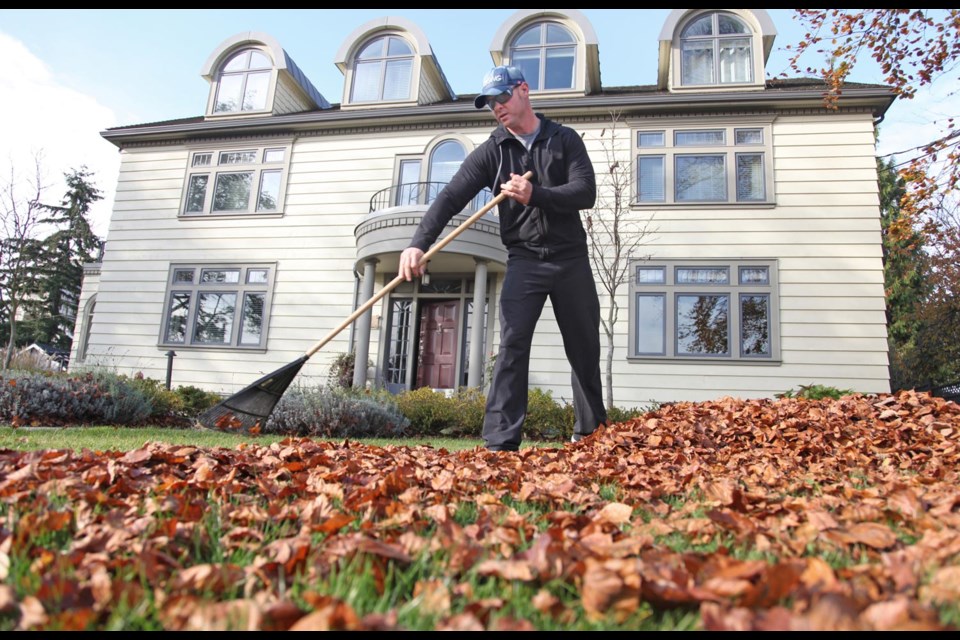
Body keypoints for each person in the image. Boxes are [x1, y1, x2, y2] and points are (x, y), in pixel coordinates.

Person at [398, 65, 608, 451]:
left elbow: (584, 192)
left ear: (524, 90)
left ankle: (591, 436)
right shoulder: (492, 151)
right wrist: (417, 243)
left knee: (584, 348)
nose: (496, 107)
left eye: (502, 97)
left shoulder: (564, 140)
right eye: (490, 102)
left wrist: (537, 194)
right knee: (512, 347)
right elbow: (449, 198)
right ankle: (500, 443)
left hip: (570, 259)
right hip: (525, 260)